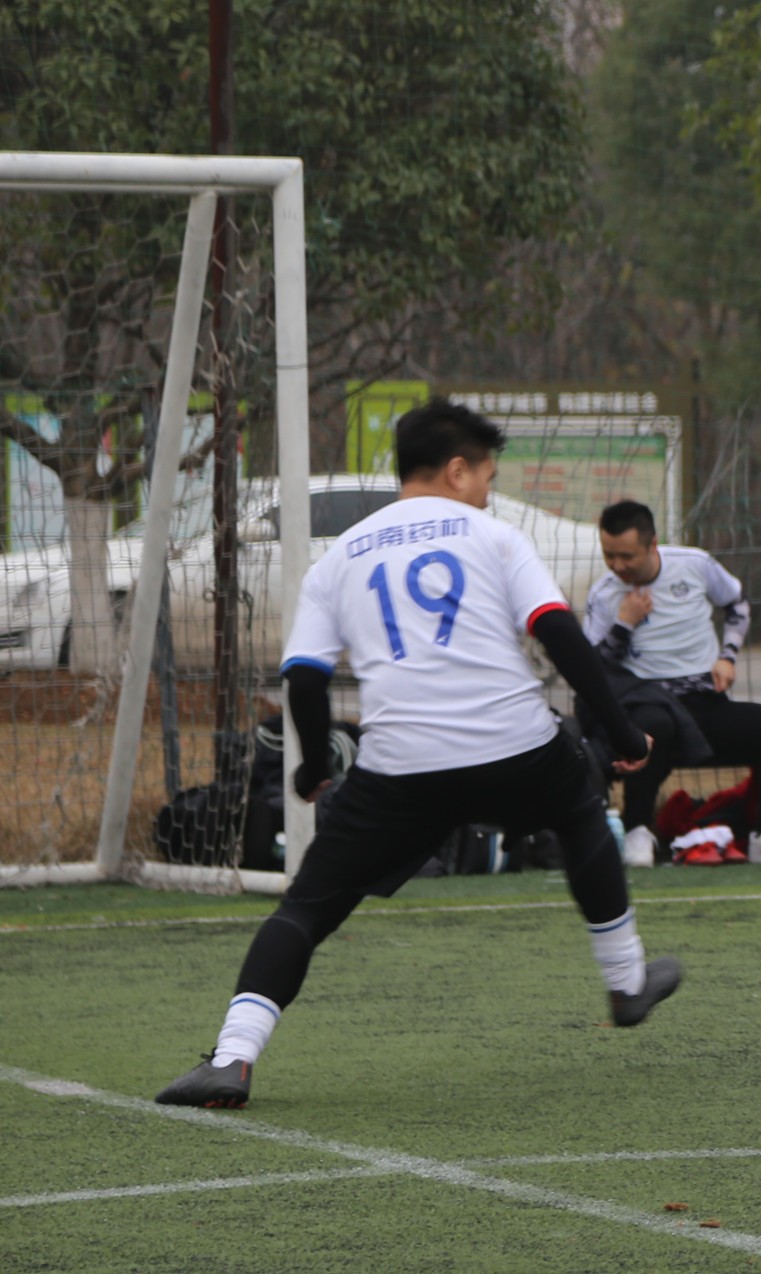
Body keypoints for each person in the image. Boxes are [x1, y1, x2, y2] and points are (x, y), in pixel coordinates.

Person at [156, 400, 679, 1108]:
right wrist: (624, 735)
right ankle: (625, 982)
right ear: (458, 471)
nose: (488, 491)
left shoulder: (340, 556)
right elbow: (557, 631)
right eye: (487, 476)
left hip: (400, 768)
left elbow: (304, 677)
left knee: (307, 907)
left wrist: (314, 768)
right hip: (515, 747)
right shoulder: (496, 536)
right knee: (581, 813)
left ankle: (232, 1059)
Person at [580, 500, 761, 866]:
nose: (618, 566)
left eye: (627, 556)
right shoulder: (604, 594)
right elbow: (591, 670)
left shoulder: (695, 564)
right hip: (646, 706)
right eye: (609, 556)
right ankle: (637, 831)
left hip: (703, 704)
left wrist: (727, 656)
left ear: (652, 544)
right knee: (652, 727)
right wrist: (624, 624)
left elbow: (737, 603)